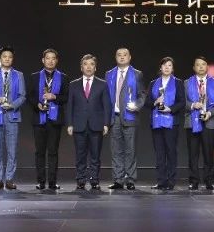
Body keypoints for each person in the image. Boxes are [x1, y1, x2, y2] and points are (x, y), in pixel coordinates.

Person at [66, 54, 110, 191]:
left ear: (95, 67)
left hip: (96, 125)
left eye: (91, 64)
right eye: (86, 64)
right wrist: (69, 124)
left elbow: (106, 105)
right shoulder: (73, 84)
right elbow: (70, 105)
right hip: (79, 125)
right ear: (81, 67)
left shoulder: (102, 84)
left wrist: (106, 123)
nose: (88, 67)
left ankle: (94, 180)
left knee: (95, 156)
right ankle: (80, 180)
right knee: (80, 155)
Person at [105, 47, 146, 190]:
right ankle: (118, 179)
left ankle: (130, 179)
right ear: (115, 57)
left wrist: (137, 105)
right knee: (116, 150)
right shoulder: (109, 74)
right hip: (114, 116)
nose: (122, 57)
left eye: (125, 55)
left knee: (130, 150)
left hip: (130, 115)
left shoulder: (137, 74)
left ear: (129, 57)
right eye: (119, 55)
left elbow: (142, 94)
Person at [0, 46, 26, 190]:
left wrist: (12, 105)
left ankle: (9, 179)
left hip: (12, 116)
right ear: (0, 58)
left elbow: (22, 96)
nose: (7, 59)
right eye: (4, 56)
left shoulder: (19, 75)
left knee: (12, 150)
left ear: (12, 59)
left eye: (10, 57)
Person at [32, 48, 69, 191]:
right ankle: (41, 182)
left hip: (55, 119)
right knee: (40, 152)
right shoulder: (35, 76)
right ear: (43, 60)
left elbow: (66, 97)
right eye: (48, 58)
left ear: (57, 61)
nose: (50, 61)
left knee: (53, 151)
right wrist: (37, 104)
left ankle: (52, 182)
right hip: (39, 119)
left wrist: (55, 97)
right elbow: (30, 96)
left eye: (53, 58)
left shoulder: (63, 77)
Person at [184, 55, 214, 191]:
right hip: (192, 121)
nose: (201, 67)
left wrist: (210, 113)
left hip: (209, 121)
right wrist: (193, 105)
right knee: (193, 154)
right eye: (198, 64)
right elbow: (183, 102)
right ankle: (194, 181)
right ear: (194, 68)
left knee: (208, 153)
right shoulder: (187, 83)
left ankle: (209, 181)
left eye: (203, 64)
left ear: (207, 67)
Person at [148, 56, 183, 191]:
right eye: (164, 65)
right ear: (160, 67)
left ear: (172, 68)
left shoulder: (178, 83)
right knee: (160, 153)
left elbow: (182, 102)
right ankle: (161, 181)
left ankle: (171, 181)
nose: (167, 67)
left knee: (171, 151)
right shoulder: (153, 83)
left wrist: (170, 109)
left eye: (169, 65)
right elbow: (146, 102)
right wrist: (155, 102)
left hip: (171, 122)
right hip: (156, 122)